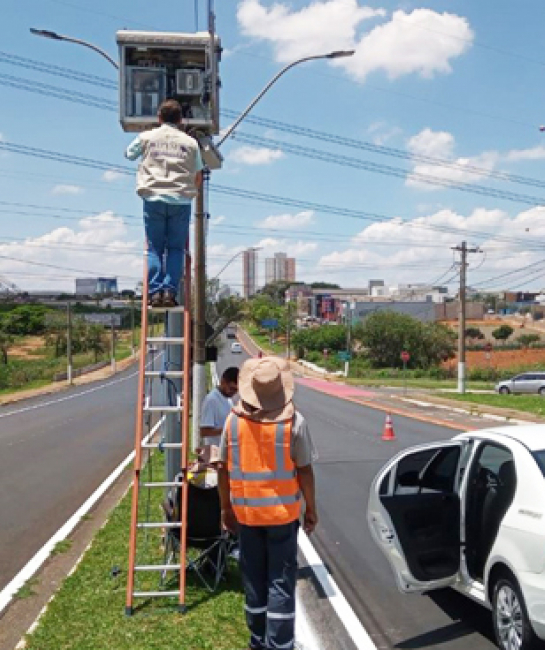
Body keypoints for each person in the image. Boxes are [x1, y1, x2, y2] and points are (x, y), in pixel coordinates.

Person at [218, 356, 318, 650]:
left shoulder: (233, 421)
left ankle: (257, 641)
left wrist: (226, 508)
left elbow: (221, 468)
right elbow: (305, 470)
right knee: (280, 583)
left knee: (254, 581)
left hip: (247, 517)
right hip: (282, 518)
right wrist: (310, 508)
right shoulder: (294, 422)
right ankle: (280, 644)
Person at [125, 99, 203, 308]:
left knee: (155, 248)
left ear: (159, 118)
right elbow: (198, 173)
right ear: (180, 120)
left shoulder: (146, 137)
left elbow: (129, 154)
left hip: (153, 197)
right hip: (180, 199)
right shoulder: (190, 142)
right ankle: (170, 292)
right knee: (176, 248)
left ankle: (155, 291)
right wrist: (192, 193)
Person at [200, 366, 239, 449]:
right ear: (223, 382)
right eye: (231, 388)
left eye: (236, 390)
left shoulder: (228, 400)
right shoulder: (211, 400)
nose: (233, 392)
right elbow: (204, 431)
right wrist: (227, 430)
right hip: (215, 452)